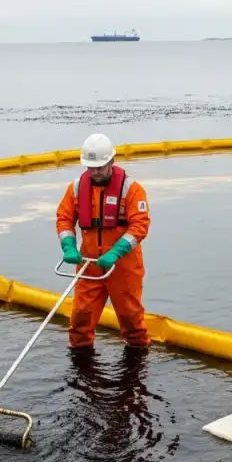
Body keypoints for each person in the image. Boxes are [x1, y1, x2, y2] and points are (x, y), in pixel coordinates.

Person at [55, 133, 151, 350]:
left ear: (111, 162)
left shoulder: (132, 189)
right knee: (81, 317)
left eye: (99, 167)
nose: (95, 172)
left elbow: (139, 226)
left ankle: (137, 357)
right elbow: (64, 219)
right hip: (89, 265)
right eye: (91, 168)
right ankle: (81, 357)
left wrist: (116, 252)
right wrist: (68, 246)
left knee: (131, 319)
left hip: (123, 267)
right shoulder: (76, 188)